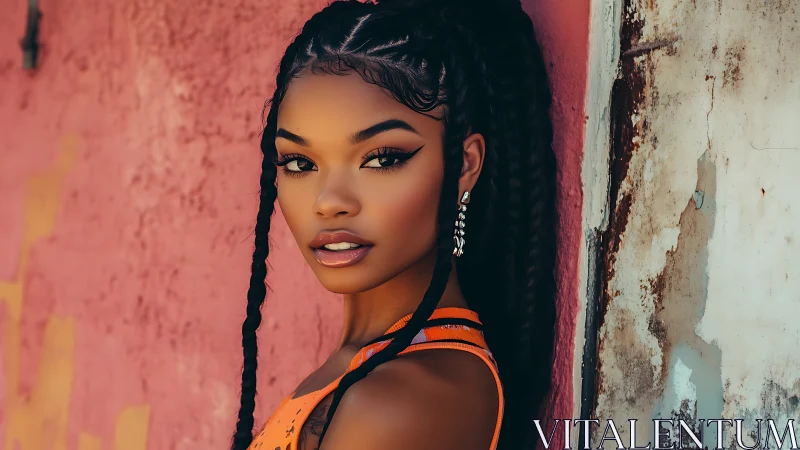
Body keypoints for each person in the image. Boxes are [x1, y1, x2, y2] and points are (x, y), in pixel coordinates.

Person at [231, 0, 557, 449]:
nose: (329, 203)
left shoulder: (402, 401)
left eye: (382, 159)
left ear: (465, 164)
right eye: (300, 162)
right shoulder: (370, 368)